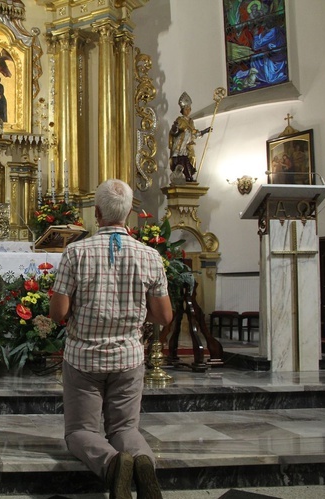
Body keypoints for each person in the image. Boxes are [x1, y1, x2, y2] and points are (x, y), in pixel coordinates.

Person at [49, 179, 173, 499]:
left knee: (81, 431)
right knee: (125, 429)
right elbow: (164, 317)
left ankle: (112, 465)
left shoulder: (76, 252)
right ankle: (142, 460)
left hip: (83, 357)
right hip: (128, 357)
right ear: (130, 212)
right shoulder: (149, 256)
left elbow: (58, 312)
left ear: (96, 212)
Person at [168, 92, 211, 182]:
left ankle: (189, 176)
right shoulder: (179, 120)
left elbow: (194, 134)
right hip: (179, 146)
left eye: (189, 109)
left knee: (190, 160)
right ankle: (182, 177)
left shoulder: (191, 121)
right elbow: (174, 132)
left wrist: (205, 131)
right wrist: (176, 128)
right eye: (186, 109)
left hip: (187, 147)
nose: (187, 111)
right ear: (182, 110)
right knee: (179, 162)